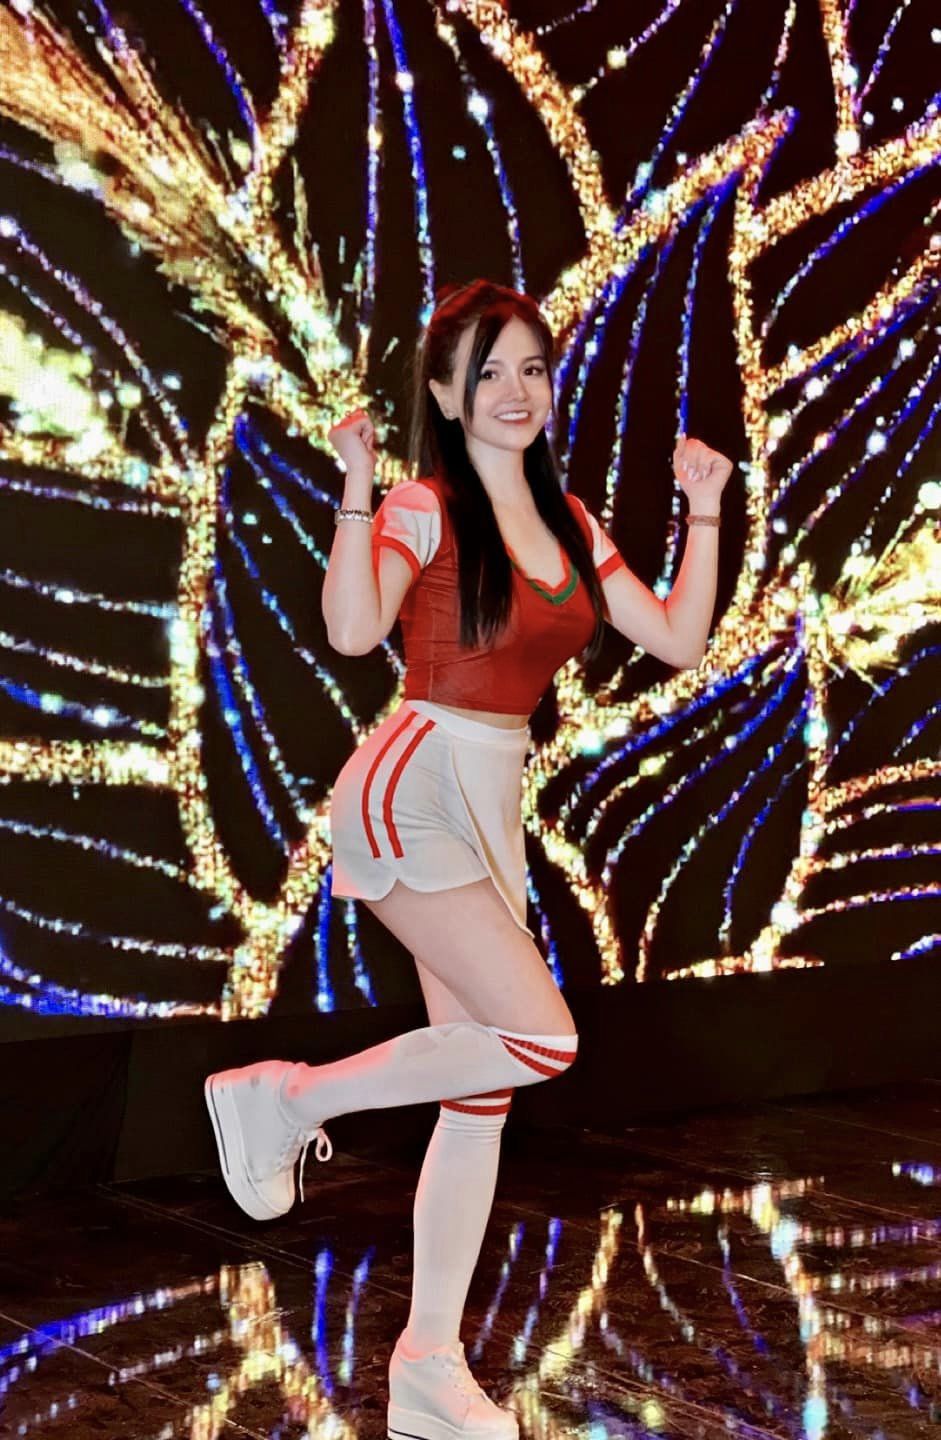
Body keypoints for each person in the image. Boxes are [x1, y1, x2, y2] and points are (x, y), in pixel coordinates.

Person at [204, 280, 732, 1439]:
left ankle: (426, 1369)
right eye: (487, 372)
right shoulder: (423, 504)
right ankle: (283, 1097)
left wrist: (699, 512)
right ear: (443, 395)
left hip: (491, 793)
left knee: (479, 1090)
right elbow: (352, 629)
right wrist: (356, 485)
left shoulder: (568, 520)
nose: (514, 391)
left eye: (531, 368)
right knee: (543, 1038)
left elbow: (677, 637)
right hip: (416, 778)